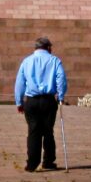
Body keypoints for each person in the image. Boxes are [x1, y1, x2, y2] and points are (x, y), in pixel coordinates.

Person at [14, 36, 68, 172]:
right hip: (49, 100)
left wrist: (19, 102)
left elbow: (19, 83)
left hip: (31, 101)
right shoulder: (55, 60)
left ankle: (32, 163)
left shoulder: (26, 61)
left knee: (33, 131)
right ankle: (48, 161)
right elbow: (61, 79)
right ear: (48, 47)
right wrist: (60, 96)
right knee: (48, 131)